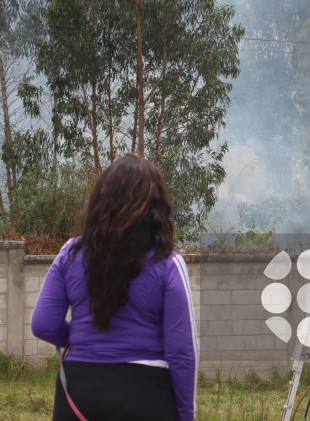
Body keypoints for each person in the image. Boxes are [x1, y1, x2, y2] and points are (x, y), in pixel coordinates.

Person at [32, 154, 198, 421]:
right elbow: (181, 351)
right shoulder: (169, 263)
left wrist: (79, 336)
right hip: (146, 394)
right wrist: (186, 415)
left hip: (77, 391)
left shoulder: (70, 253)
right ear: (157, 207)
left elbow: (43, 324)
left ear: (100, 200)